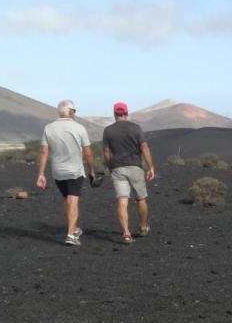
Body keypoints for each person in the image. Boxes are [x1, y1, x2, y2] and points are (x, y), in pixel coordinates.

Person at [36, 99, 96, 246]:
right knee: (73, 200)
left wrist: (41, 174)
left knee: (66, 199)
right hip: (75, 170)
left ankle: (74, 228)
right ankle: (71, 235)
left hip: (57, 171)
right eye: (74, 111)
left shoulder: (48, 128)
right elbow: (88, 152)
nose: (75, 113)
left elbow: (44, 151)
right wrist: (92, 171)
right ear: (69, 112)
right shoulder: (79, 128)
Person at [101, 101, 155, 244]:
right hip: (135, 167)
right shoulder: (136, 128)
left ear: (114, 114)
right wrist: (151, 167)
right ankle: (143, 227)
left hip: (118, 168)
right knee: (141, 198)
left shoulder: (108, 130)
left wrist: (109, 166)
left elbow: (106, 151)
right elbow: (144, 147)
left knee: (122, 200)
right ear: (126, 113)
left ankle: (126, 234)